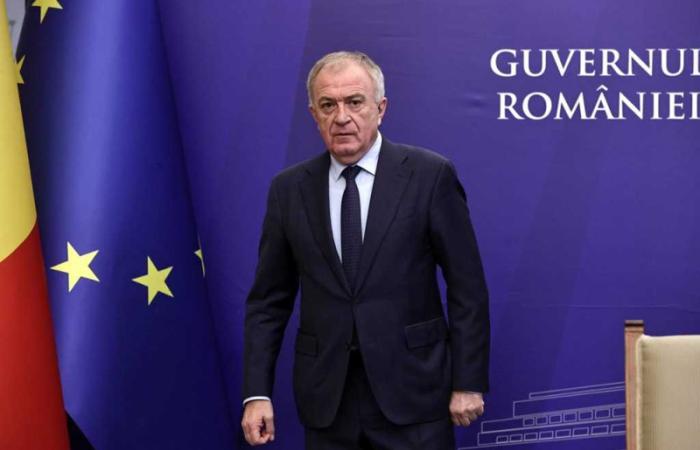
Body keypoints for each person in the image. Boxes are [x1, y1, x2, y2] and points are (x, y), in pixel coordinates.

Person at [241, 51, 490, 449]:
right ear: (314, 115)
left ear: (380, 108)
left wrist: (468, 382)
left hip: (414, 394)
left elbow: (467, 287)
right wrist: (256, 393)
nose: (342, 117)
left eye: (354, 102)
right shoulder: (288, 190)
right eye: (328, 105)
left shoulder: (429, 176)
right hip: (328, 403)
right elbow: (268, 302)